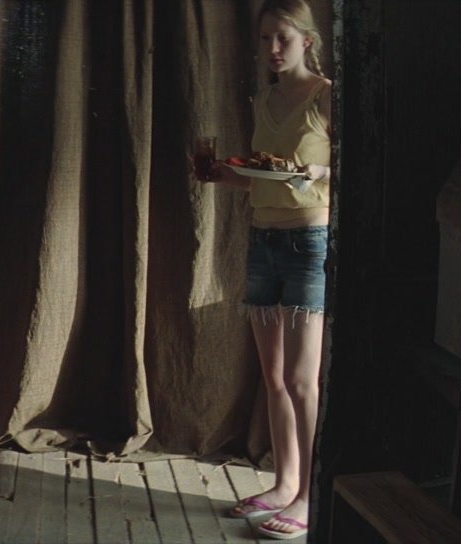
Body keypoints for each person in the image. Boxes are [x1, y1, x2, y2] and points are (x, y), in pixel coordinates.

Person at [200, 0, 331, 540]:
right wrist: (220, 176)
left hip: (309, 241)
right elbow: (263, 179)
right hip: (263, 239)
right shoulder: (266, 99)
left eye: (283, 38)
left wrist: (319, 169)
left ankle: (311, 498)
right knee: (273, 376)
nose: (272, 49)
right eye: (265, 39)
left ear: (307, 40)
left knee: (302, 380)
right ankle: (284, 484)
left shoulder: (325, 96)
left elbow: (351, 168)